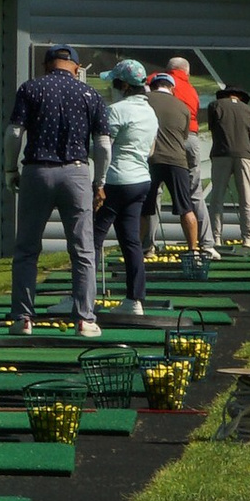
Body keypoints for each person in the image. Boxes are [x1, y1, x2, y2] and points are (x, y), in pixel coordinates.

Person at [6, 44, 109, 334]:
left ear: (46, 65)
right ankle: (85, 318)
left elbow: (15, 132)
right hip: (76, 171)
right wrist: (99, 182)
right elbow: (102, 144)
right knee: (82, 249)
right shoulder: (91, 94)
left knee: (26, 248)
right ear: (76, 68)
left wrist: (10, 169)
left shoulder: (31, 88)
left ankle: (22, 318)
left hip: (37, 170)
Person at [93, 59, 160, 313]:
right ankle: (135, 300)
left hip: (116, 181)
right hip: (141, 180)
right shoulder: (149, 111)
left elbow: (103, 149)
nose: (112, 87)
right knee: (131, 241)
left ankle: (82, 296)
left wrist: (97, 180)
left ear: (123, 85)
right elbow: (151, 150)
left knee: (92, 239)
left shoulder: (117, 110)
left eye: (114, 83)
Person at [151, 65, 210, 271]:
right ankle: (194, 250)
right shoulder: (183, 106)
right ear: (172, 88)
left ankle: (145, 248)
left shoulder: (145, 101)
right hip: (177, 160)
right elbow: (185, 137)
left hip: (151, 160)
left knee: (146, 208)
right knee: (187, 206)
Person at [209, 80, 250, 249]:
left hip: (221, 154)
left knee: (217, 198)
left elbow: (212, 128)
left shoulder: (215, 105)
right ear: (241, 96)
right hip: (245, 156)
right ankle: (248, 237)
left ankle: (215, 238)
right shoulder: (249, 110)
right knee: (247, 198)